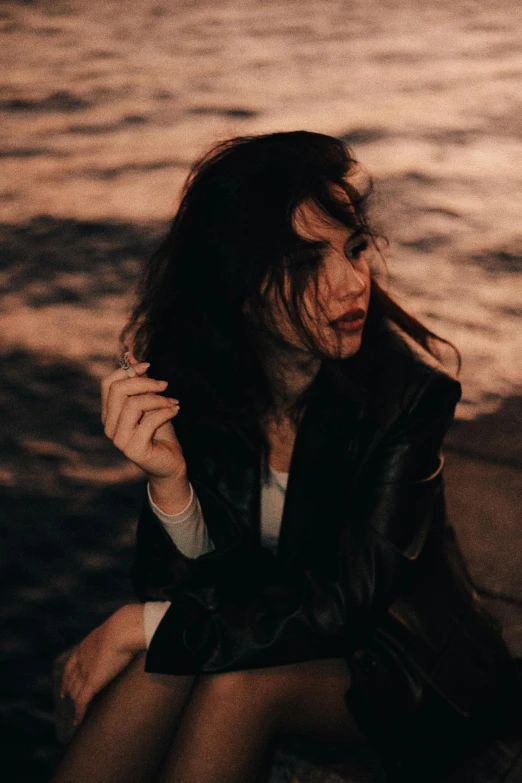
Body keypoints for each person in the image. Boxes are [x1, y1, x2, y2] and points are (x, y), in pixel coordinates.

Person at [52, 131, 521, 783]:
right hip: (276, 631)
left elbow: (341, 607)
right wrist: (170, 484)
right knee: (156, 667)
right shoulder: (197, 385)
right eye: (306, 266)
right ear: (240, 287)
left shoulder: (408, 398)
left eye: (353, 249)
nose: (349, 284)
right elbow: (191, 589)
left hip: (406, 665)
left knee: (230, 684)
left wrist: (143, 623)